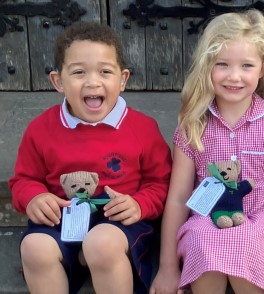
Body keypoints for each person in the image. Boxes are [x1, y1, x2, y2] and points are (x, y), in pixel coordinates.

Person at [150, 9, 264, 294]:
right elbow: (178, 199)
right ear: (207, 66)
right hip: (206, 222)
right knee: (202, 241)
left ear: (262, 68)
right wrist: (167, 268)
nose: (234, 76)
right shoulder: (193, 127)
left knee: (246, 244)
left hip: (257, 223)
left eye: (246, 66)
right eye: (222, 64)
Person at [8, 21, 172, 294]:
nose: (92, 81)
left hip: (117, 224)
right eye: (79, 72)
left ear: (122, 79)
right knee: (34, 248)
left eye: (105, 72)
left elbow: (162, 182)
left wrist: (140, 204)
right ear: (58, 81)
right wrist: (34, 197)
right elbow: (23, 180)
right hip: (61, 220)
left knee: (101, 244)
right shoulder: (40, 129)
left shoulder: (142, 128)